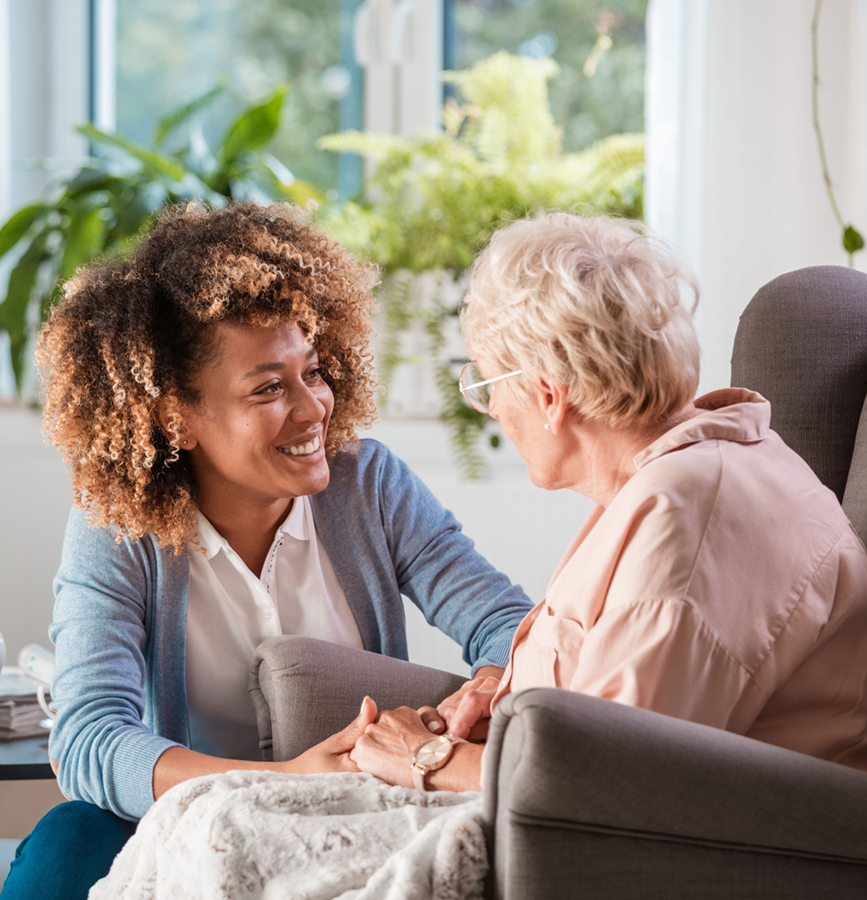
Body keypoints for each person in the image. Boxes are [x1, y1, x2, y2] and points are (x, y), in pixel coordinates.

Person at [1, 202, 532, 899]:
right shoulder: (117, 528)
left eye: (312, 371)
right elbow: (91, 740)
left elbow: (508, 622)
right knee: (68, 843)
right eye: (269, 388)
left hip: (351, 816)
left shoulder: (368, 485)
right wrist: (283, 781)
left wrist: (492, 683)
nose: (314, 408)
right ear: (175, 417)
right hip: (187, 823)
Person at [348, 212, 867, 792]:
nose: (495, 412)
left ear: (548, 395)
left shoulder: (687, 516)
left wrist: (428, 757)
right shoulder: (681, 474)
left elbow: (610, 782)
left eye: (485, 386)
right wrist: (508, 700)